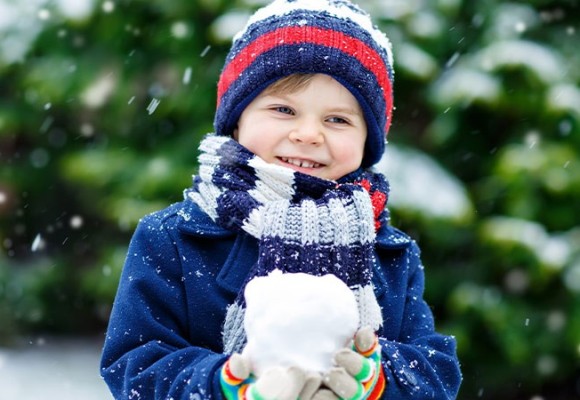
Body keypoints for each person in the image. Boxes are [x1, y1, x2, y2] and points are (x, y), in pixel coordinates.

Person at [100, 0, 462, 399]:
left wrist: (378, 379)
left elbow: (435, 372)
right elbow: (136, 363)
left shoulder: (390, 253)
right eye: (283, 109)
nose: (308, 134)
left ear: (367, 141)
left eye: (337, 119)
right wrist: (223, 385)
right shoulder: (173, 239)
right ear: (237, 121)